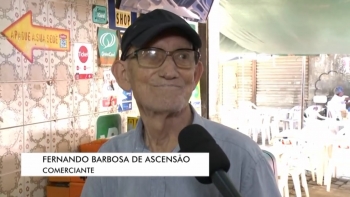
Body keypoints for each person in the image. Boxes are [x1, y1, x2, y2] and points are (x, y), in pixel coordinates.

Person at [81, 9, 280, 197]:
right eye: (151, 55)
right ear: (123, 75)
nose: (169, 72)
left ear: (195, 75)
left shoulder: (244, 158)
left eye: (183, 56)